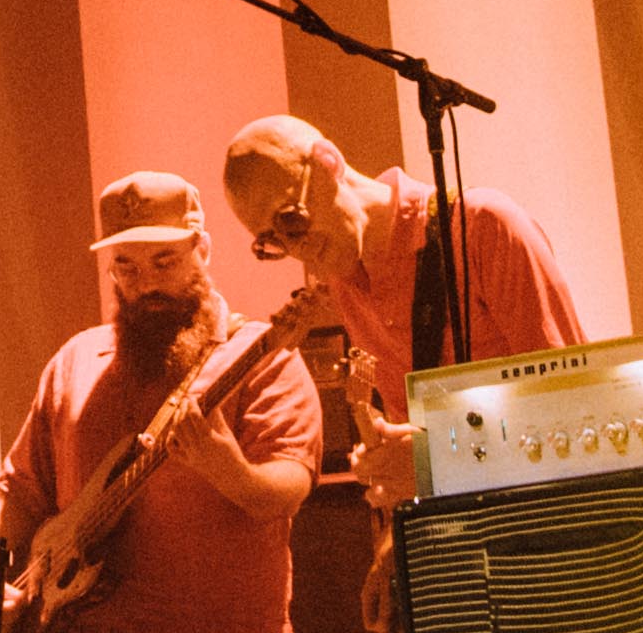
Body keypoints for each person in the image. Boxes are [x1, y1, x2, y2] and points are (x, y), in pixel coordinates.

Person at [0, 171, 321, 633]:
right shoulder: (74, 363)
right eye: (126, 267)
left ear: (203, 249)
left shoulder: (263, 354)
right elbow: (19, 491)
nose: (145, 285)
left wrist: (227, 470)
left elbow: (289, 486)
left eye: (164, 261)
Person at [217, 109, 588, 511]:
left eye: (291, 219)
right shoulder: (346, 286)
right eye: (271, 242)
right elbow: (420, 441)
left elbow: (578, 407)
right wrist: (391, 464)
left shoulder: (484, 227)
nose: (295, 248)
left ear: (328, 163)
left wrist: (435, 462)